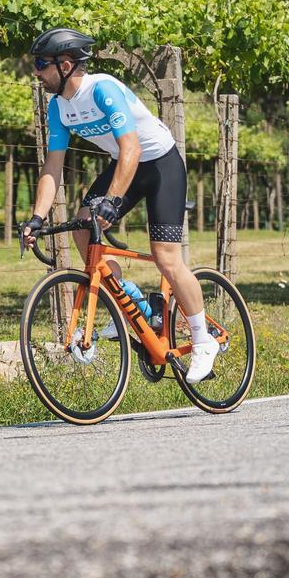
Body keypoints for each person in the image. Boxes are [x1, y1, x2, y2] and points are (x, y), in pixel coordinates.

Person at [18, 28, 219, 384]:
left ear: (66, 65)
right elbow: (53, 166)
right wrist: (36, 217)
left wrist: (112, 201)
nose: (36, 72)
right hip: (125, 164)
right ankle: (135, 304)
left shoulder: (102, 89)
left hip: (159, 164)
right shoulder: (58, 107)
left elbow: (132, 148)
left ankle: (204, 340)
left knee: (166, 257)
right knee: (84, 228)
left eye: (41, 64)